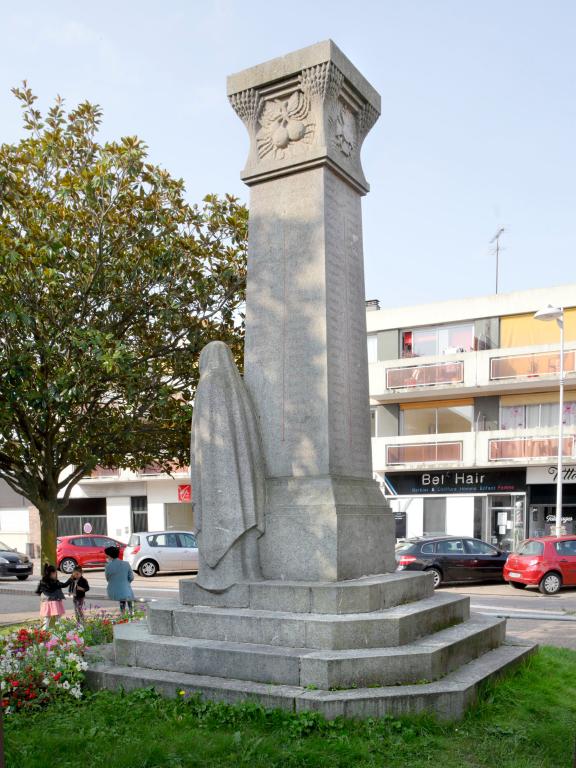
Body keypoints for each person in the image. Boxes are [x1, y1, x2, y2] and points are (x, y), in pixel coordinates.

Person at [35, 564, 70, 630]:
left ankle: (44, 633)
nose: (55, 575)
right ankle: (61, 633)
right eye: (55, 573)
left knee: (47, 619)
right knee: (58, 619)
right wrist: (71, 578)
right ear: (52, 573)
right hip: (55, 603)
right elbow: (65, 585)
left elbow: (38, 591)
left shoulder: (42, 582)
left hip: (46, 602)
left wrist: (44, 594)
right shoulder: (55, 582)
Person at [104, 546, 135, 615]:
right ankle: (131, 613)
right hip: (126, 592)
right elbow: (131, 577)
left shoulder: (108, 566)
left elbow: (108, 579)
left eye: (106, 555)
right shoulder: (126, 564)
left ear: (109, 555)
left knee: (123, 593)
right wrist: (125, 582)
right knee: (127, 591)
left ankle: (123, 613)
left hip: (112, 592)